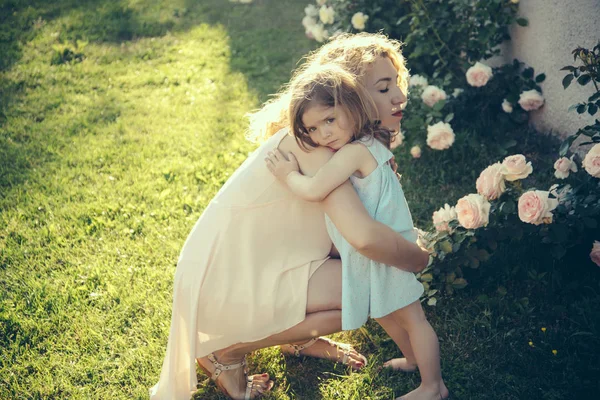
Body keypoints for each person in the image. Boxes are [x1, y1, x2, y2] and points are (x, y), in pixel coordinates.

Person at [149, 33, 430, 400]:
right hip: (225, 277)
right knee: (363, 284)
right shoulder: (321, 146)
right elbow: (364, 238)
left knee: (363, 274)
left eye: (396, 83)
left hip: (254, 266)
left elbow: (336, 239)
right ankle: (226, 351)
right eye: (382, 88)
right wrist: (417, 257)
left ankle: (298, 341)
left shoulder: (341, 141)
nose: (399, 96)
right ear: (347, 96)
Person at [265, 63, 448, 400]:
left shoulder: (354, 152)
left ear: (351, 107)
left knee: (412, 319)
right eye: (313, 129)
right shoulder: (361, 143)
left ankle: (433, 386)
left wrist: (288, 174)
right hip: (374, 255)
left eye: (330, 120)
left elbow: (315, 189)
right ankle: (412, 360)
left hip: (388, 252)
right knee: (386, 314)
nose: (324, 135)